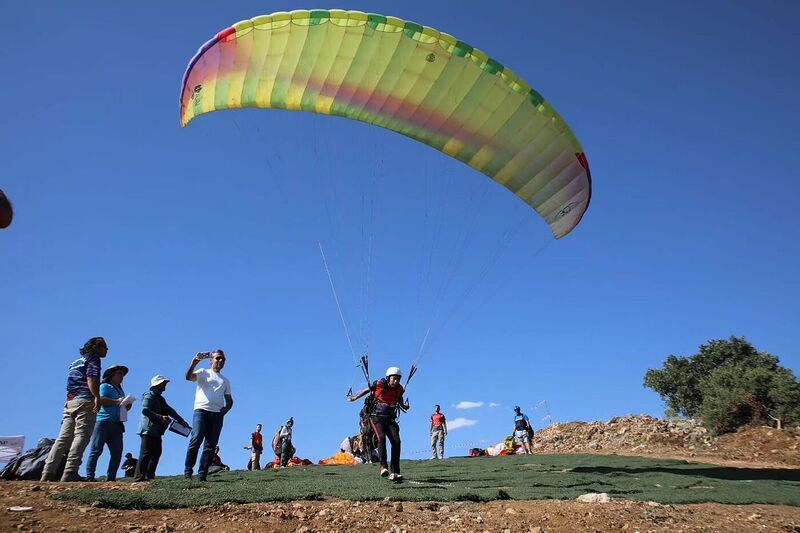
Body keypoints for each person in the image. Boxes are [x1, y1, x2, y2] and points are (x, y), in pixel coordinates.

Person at [41, 337, 108, 482]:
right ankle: (70, 470)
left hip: (70, 401)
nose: (106, 350)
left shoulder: (75, 362)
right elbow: (91, 377)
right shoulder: (94, 359)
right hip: (85, 400)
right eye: (105, 347)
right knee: (81, 436)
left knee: (63, 439)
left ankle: (48, 472)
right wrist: (96, 396)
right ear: (96, 347)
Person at [348, 366, 408, 481]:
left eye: (398, 379)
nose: (396, 381)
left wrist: (404, 406)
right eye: (394, 378)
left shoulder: (399, 389)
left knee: (396, 441)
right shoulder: (380, 384)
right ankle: (383, 467)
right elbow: (367, 390)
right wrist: (355, 397)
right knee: (381, 438)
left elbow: (399, 399)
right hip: (376, 418)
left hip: (390, 419)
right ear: (388, 377)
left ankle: (395, 472)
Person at [184, 350, 233, 481]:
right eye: (218, 358)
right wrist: (193, 363)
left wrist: (225, 409)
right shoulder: (203, 372)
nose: (220, 361)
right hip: (201, 411)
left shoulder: (225, 381)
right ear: (211, 360)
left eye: (223, 359)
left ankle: (202, 475)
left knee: (210, 445)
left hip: (217, 415)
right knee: (196, 439)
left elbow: (229, 400)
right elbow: (188, 377)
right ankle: (188, 471)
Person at [134, 375, 189, 481]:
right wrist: (160, 417)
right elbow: (145, 410)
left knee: (156, 453)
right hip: (148, 429)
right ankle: (139, 477)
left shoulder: (160, 398)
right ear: (158, 384)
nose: (165, 385)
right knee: (146, 453)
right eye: (163, 383)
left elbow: (169, 410)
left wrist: (181, 421)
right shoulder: (149, 395)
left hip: (156, 430)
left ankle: (150, 476)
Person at [85, 364, 132, 481]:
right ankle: (90, 476)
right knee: (96, 450)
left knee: (117, 452)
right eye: (119, 373)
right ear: (112, 374)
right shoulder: (105, 386)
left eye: (122, 374)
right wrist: (117, 401)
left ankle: (111, 477)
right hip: (103, 421)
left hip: (117, 423)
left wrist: (127, 404)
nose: (122, 376)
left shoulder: (120, 390)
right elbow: (101, 400)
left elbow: (122, 406)